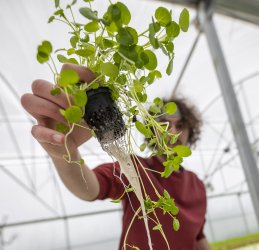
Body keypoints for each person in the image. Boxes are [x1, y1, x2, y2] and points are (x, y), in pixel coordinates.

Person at [21, 64, 211, 250]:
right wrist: (65, 154)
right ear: (152, 129)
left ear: (190, 130)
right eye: (164, 124)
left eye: (180, 126)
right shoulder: (134, 168)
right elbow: (90, 187)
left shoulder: (197, 185)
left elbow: (198, 236)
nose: (173, 132)